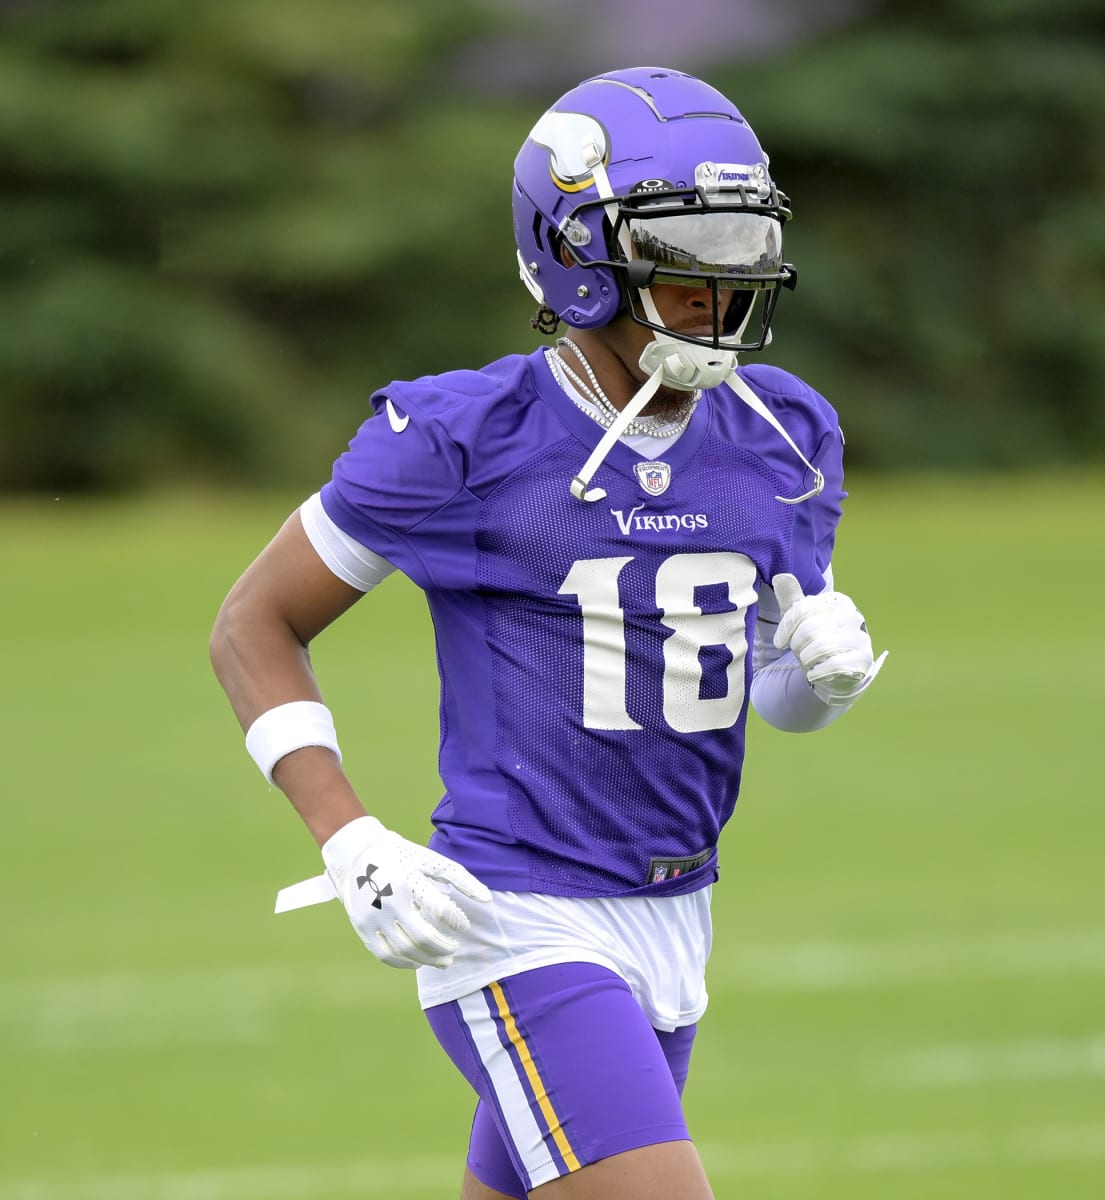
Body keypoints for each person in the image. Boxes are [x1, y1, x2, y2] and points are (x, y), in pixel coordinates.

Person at [209, 67, 885, 1200]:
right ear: (579, 262)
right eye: (684, 257)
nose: (719, 287)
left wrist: (821, 680)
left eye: (736, 247)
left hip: (678, 914)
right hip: (517, 919)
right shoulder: (467, 439)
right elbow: (255, 622)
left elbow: (766, 689)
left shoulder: (786, 436)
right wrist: (348, 836)